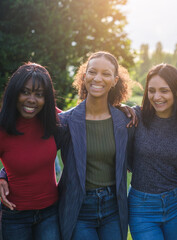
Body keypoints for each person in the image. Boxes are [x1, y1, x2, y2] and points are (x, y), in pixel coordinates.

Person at [56, 51, 133, 240]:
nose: (98, 78)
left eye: (106, 74)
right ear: (84, 77)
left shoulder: (124, 120)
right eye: (92, 72)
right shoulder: (65, 121)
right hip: (79, 208)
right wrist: (5, 174)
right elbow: (35, 150)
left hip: (113, 209)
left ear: (115, 80)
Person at [127, 63, 177, 240]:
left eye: (164, 90)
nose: (157, 96)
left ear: (176, 91)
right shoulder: (135, 117)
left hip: (176, 203)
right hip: (141, 206)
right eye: (151, 90)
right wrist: (122, 107)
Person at [0, 63, 60, 239]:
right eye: (25, 92)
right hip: (15, 217)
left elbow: (88, 116)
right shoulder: (2, 127)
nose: (32, 99)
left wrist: (121, 109)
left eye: (39, 94)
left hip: (50, 213)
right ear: (14, 93)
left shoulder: (53, 119)